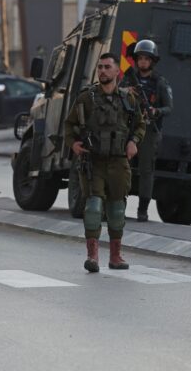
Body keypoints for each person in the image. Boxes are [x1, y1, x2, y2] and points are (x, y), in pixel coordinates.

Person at [64, 54, 145, 273]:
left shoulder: (128, 99)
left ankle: (116, 256)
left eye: (107, 67)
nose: (102, 71)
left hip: (119, 163)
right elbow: (69, 125)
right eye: (99, 67)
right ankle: (92, 256)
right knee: (93, 207)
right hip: (94, 162)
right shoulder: (86, 98)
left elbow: (139, 125)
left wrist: (134, 142)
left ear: (117, 71)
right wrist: (74, 145)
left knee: (117, 210)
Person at [119, 39, 173, 222]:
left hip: (149, 130)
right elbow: (115, 96)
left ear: (152, 61)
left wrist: (155, 111)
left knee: (146, 171)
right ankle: (119, 204)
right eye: (140, 58)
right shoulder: (128, 78)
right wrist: (126, 92)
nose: (143, 62)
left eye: (146, 59)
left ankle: (143, 210)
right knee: (122, 167)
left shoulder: (160, 82)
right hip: (127, 128)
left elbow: (169, 107)